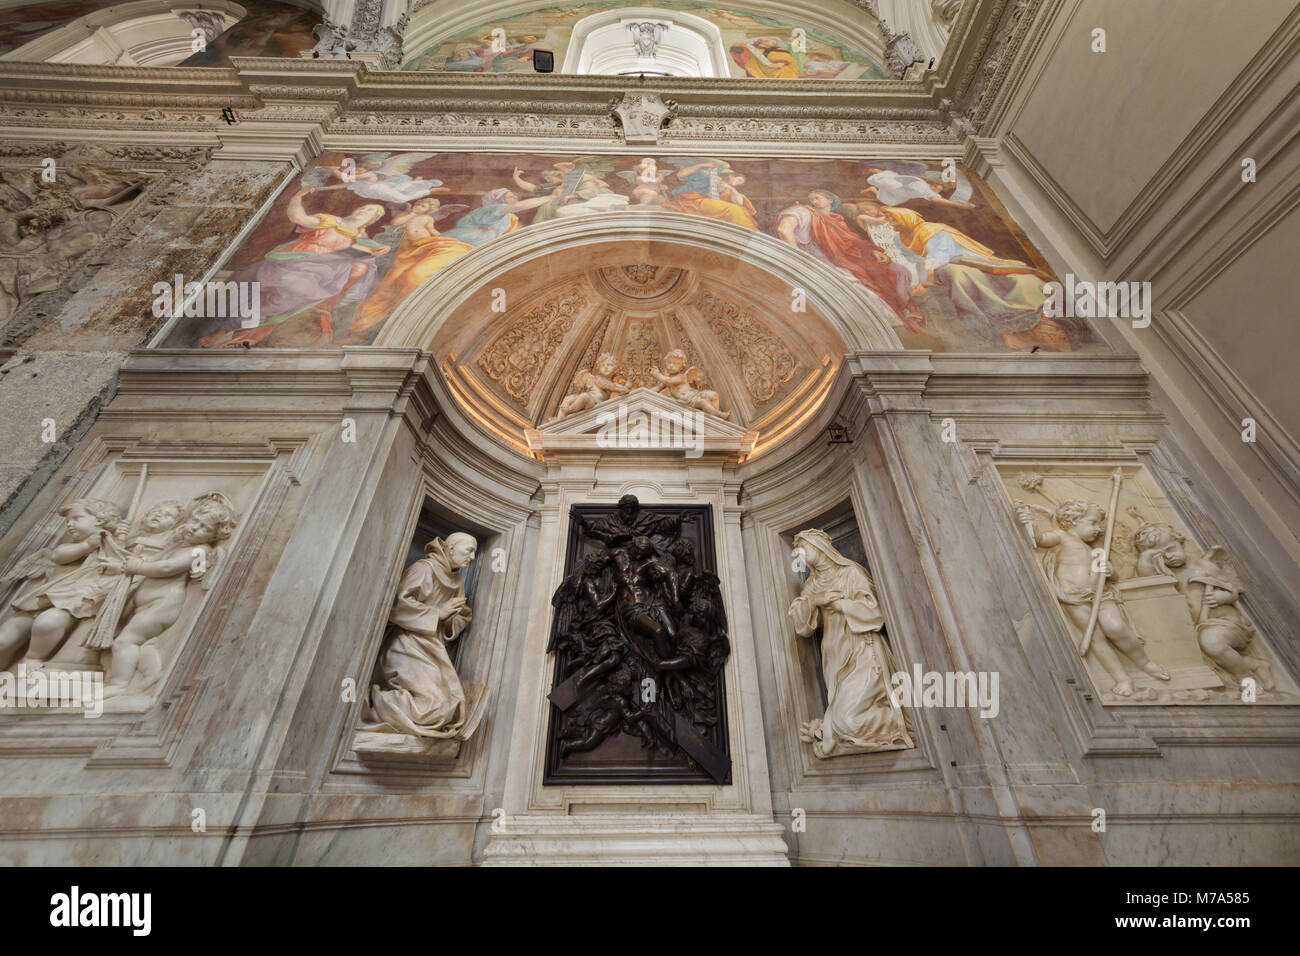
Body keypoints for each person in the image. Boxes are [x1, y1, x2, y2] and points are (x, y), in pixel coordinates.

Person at [197, 186, 389, 348]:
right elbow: (298, 217)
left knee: (288, 299)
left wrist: (380, 249)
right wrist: (297, 197)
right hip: (295, 262)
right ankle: (222, 330)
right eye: (364, 207)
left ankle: (240, 333)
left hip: (320, 276)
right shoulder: (330, 221)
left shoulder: (362, 239)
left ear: (374, 219)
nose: (365, 210)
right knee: (283, 290)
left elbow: (365, 258)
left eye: (371, 210)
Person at [1018, 499, 1170, 696]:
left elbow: (1110, 577)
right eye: (1093, 522)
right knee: (1096, 638)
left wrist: (1110, 571)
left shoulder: (1096, 550)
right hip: (1073, 597)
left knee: (1115, 627)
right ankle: (1123, 679)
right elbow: (1039, 540)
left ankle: (1145, 663)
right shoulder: (1062, 536)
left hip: (1100, 593)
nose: (1098, 529)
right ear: (1073, 520)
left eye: (1099, 524)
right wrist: (1026, 522)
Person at [788, 529, 914, 757]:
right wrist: (815, 601)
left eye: (803, 548)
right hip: (834, 653)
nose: (800, 554)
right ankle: (835, 727)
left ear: (818, 546)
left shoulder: (850, 573)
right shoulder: (811, 586)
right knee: (844, 712)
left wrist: (840, 605)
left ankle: (894, 720)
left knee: (847, 718)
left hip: (862, 649)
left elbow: (875, 612)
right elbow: (802, 627)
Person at [362, 533, 486, 740]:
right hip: (405, 644)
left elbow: (461, 615)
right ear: (452, 548)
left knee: (449, 706)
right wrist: (437, 612)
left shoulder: (456, 579)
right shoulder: (423, 569)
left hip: (430, 646)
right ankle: (373, 703)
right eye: (469, 550)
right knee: (434, 707)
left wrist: (448, 618)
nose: (472, 558)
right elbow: (396, 605)